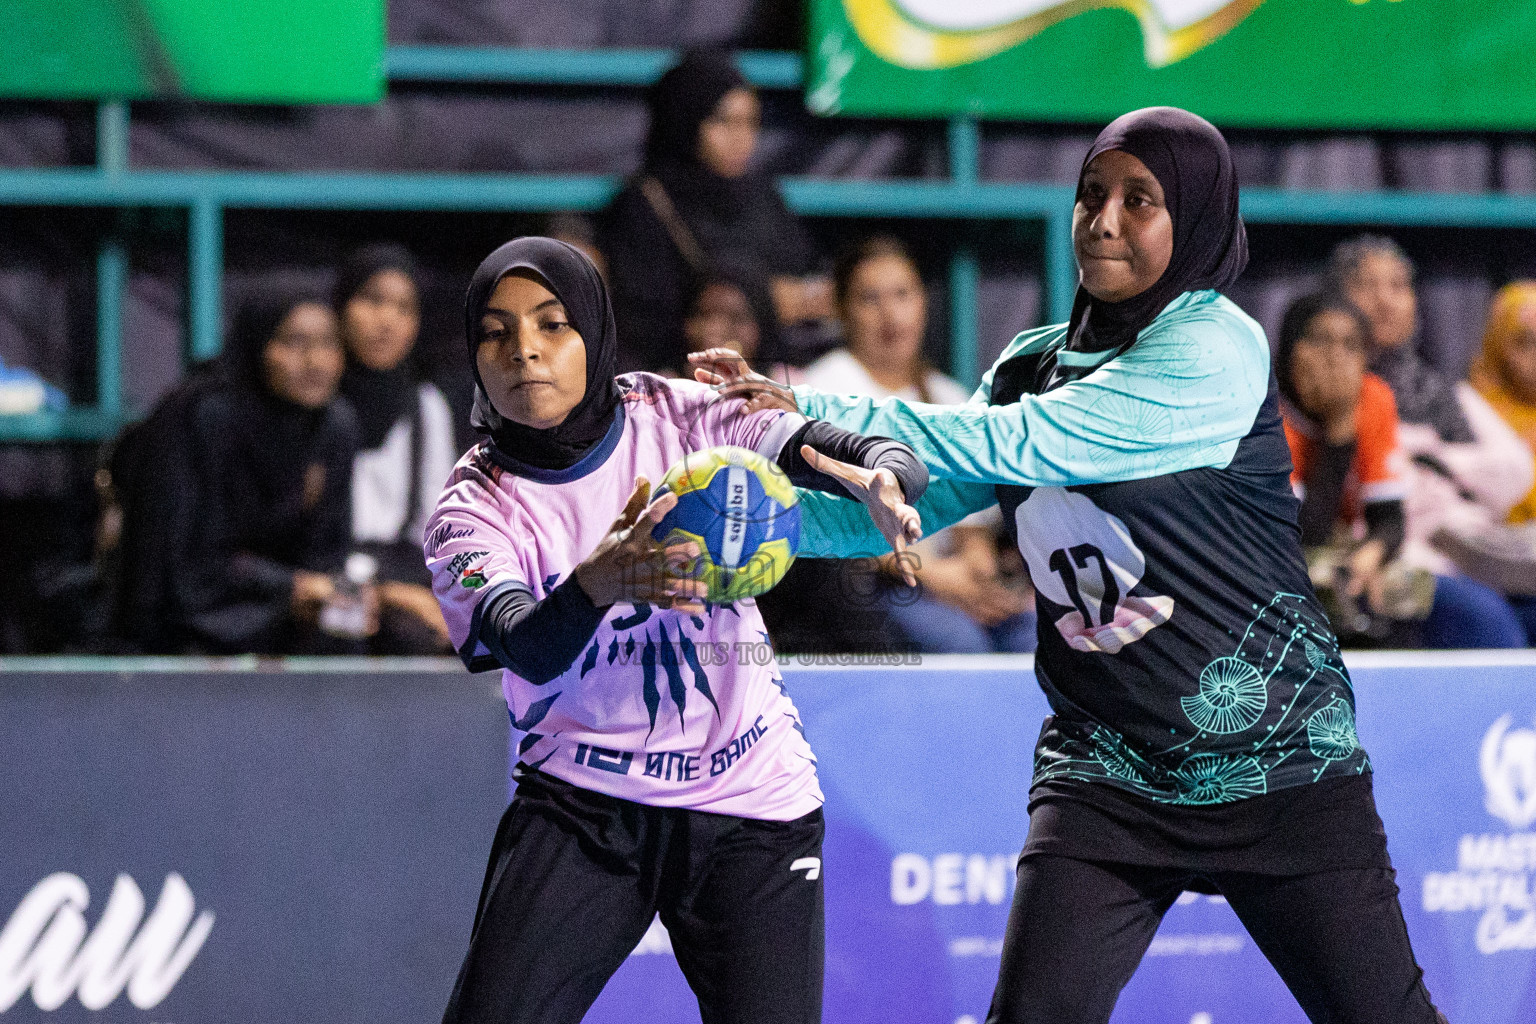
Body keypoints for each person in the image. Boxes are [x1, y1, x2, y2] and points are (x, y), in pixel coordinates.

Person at [698, 107, 1448, 1024]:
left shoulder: (1219, 346)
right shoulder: (1028, 366)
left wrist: (804, 408)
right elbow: (908, 507)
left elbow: (1038, 441)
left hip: (1279, 768)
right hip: (1108, 775)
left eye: (1141, 200)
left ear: (1200, 220)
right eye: (1092, 194)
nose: (1104, 220)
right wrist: (740, 527)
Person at [427, 237, 928, 1024]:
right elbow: (525, 646)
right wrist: (598, 584)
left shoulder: (674, 414)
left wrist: (882, 472)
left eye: (552, 324)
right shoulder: (473, 509)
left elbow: (824, 446)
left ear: (595, 332)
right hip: (585, 803)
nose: (524, 350)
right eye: (496, 332)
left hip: (749, 800)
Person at [802, 235, 1034, 654]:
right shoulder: (824, 388)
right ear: (841, 310)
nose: (890, 314)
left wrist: (978, 575)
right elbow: (835, 529)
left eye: (902, 294)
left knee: (1035, 633)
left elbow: (973, 529)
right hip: (879, 584)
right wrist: (935, 577)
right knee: (960, 643)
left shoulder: (949, 395)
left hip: (950, 579)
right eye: (869, 299)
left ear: (923, 302)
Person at [602, 47, 829, 374]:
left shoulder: (763, 196)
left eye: (750, 122)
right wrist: (766, 299)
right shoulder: (645, 203)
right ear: (685, 120)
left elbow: (808, 289)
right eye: (723, 121)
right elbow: (643, 319)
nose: (741, 138)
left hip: (769, 380)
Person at [1327, 236, 1534, 586]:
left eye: (1398, 286)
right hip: (1391, 554)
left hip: (1476, 546)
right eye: (1366, 285)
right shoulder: (1329, 389)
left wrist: (1432, 458)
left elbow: (1513, 473)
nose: (1385, 301)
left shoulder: (1440, 389)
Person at [175, 286, 362, 654]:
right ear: (258, 346)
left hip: (287, 607)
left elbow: (329, 551)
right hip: (204, 610)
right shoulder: (209, 415)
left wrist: (338, 594)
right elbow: (193, 564)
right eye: (294, 342)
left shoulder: (336, 425)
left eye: (328, 344)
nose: (315, 361)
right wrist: (293, 584)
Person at [335, 243, 457, 654]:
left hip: (401, 572)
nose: (387, 320)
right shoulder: (317, 404)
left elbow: (436, 532)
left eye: (405, 309)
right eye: (372, 300)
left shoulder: (425, 407)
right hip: (324, 574)